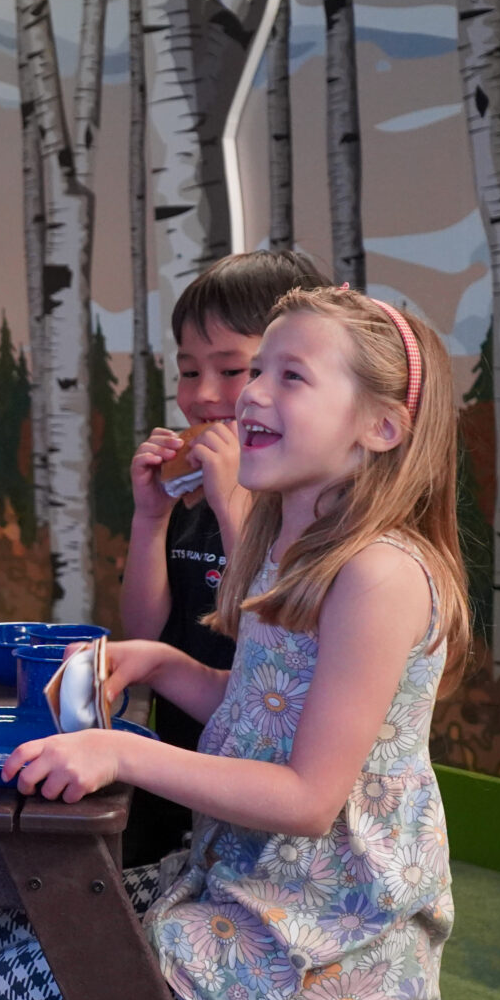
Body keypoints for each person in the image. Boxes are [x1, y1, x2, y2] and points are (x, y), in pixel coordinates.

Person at [0, 285, 467, 1000]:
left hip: (326, 933)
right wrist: (164, 662)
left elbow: (308, 795)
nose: (252, 395)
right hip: (242, 880)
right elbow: (262, 710)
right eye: (259, 370)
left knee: (21, 979)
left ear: (380, 425)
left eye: (291, 376)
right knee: (19, 924)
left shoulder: (379, 574)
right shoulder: (291, 546)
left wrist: (124, 750)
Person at [119, 249, 330, 865]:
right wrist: (150, 516)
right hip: (178, 754)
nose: (204, 396)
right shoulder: (188, 494)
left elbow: (272, 634)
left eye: (233, 370)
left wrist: (234, 502)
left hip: (264, 791)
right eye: (188, 372)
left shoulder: (309, 513)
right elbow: (144, 628)